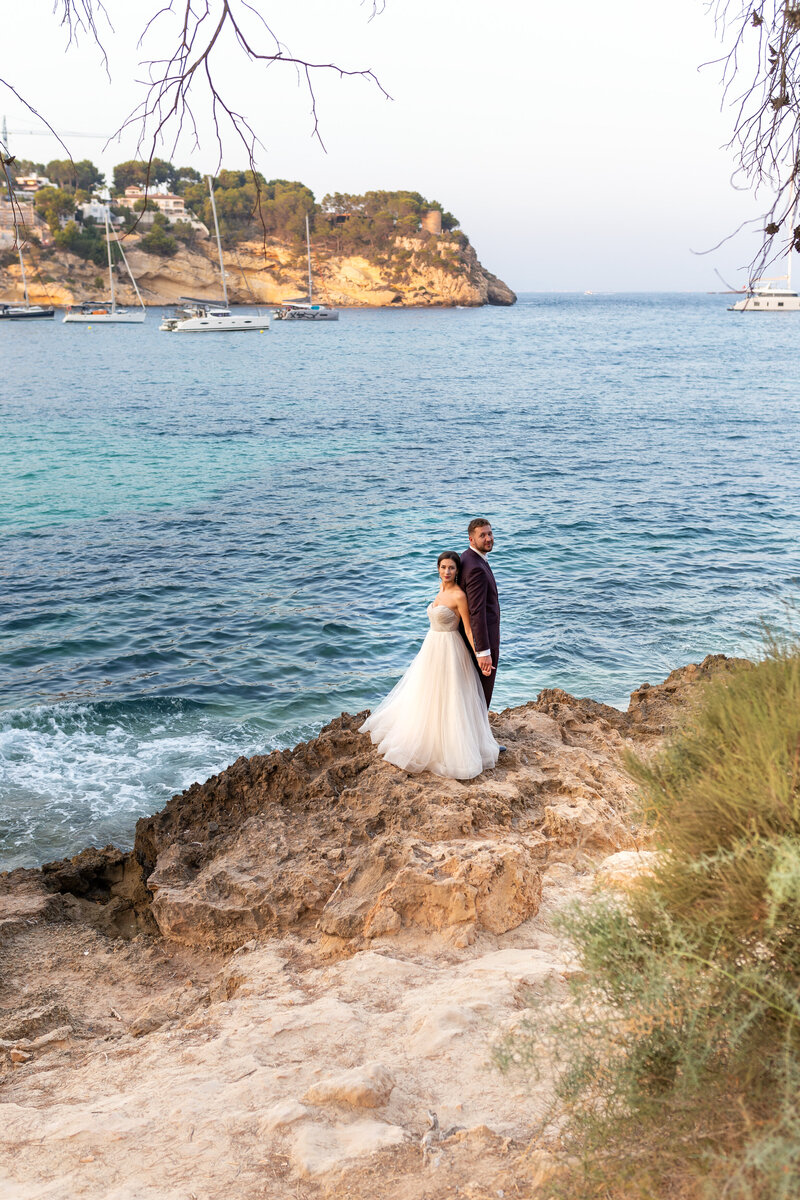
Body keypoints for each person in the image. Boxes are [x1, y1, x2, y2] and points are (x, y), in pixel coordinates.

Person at [360, 551, 499, 780]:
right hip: (431, 648)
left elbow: (468, 628)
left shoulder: (458, 596)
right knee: (428, 694)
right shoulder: (440, 591)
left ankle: (452, 745)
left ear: (457, 571)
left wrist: (479, 656)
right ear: (438, 569)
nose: (447, 572)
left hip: (450, 650)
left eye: (452, 568)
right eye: (444, 567)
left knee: (451, 696)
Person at [459, 518, 500, 707]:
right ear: (471, 539)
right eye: (482, 535)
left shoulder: (468, 558)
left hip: (474, 640)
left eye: (490, 533)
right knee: (482, 692)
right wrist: (483, 652)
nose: (488, 538)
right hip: (482, 642)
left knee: (472, 691)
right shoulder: (476, 568)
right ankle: (478, 734)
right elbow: (477, 612)